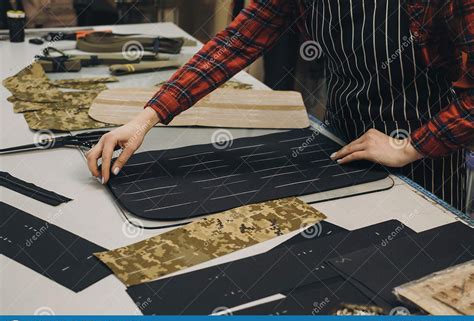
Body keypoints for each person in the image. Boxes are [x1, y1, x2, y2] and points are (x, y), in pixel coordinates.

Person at [87, 0, 473, 211]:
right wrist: (146, 118)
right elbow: (236, 43)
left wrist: (409, 147)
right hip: (340, 141)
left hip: (426, 159)